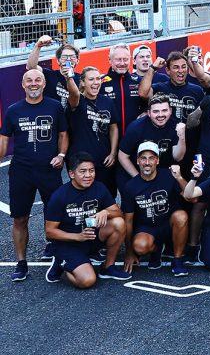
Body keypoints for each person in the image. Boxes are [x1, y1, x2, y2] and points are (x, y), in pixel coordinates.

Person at [2, 69, 69, 282]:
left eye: (37, 80)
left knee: (55, 216)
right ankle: (21, 263)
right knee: (20, 218)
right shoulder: (13, 110)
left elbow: (63, 134)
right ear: (23, 85)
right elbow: (4, 141)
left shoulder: (55, 107)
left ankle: (57, 256)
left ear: (43, 83)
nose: (33, 84)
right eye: (29, 80)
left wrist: (61, 154)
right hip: (21, 171)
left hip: (49, 170)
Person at [43, 155, 130, 287]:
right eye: (82, 171)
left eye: (92, 170)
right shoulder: (60, 196)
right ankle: (62, 263)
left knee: (118, 223)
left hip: (90, 236)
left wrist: (106, 212)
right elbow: (49, 232)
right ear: (72, 174)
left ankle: (108, 267)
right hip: (69, 244)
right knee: (87, 281)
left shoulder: (99, 187)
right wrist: (77, 237)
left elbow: (118, 213)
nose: (88, 175)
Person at [119, 142, 190, 277]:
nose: (147, 162)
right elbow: (127, 221)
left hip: (169, 224)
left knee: (181, 216)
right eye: (143, 158)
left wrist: (179, 177)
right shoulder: (130, 187)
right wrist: (129, 252)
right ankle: (156, 250)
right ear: (138, 161)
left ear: (157, 160)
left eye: (151, 158)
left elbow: (191, 198)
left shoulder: (168, 176)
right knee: (140, 246)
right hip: (146, 227)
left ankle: (177, 260)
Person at [66, 66, 120, 197]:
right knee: (84, 198)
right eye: (91, 79)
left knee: (107, 196)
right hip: (80, 161)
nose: (96, 82)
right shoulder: (77, 101)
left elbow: (113, 127)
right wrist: (68, 77)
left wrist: (113, 153)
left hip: (104, 159)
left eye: (98, 79)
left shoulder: (107, 101)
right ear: (83, 82)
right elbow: (74, 94)